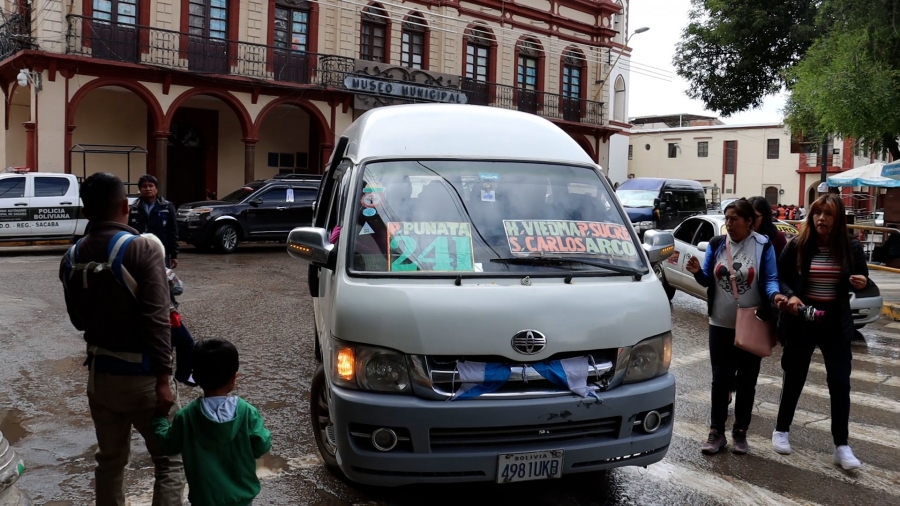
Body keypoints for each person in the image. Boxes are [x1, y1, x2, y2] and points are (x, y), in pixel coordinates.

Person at [59, 172, 184, 505]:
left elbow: (76, 320)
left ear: (86, 212)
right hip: (144, 379)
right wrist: (163, 379)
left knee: (110, 463)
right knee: (169, 462)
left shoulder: (70, 258)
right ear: (124, 207)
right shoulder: (142, 249)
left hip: (100, 379)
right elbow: (158, 321)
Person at [772, 194, 869, 470]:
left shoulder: (851, 247)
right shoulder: (798, 244)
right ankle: (781, 430)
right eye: (817, 213)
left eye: (828, 214)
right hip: (803, 319)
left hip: (835, 323)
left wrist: (861, 282)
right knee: (794, 376)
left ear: (837, 219)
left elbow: (861, 279)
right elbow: (780, 277)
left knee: (840, 384)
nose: (821, 219)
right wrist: (790, 296)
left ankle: (842, 446)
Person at [686, 198, 786, 455]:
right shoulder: (718, 244)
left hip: (752, 323)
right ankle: (716, 432)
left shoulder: (762, 246)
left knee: (747, 380)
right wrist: (698, 271)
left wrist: (775, 296)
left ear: (749, 222)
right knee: (720, 379)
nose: (728, 224)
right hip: (720, 323)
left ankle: (740, 431)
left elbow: (771, 279)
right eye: (727, 219)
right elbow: (707, 277)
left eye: (734, 220)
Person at [153, 338, 272, 506]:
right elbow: (261, 445)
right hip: (241, 501)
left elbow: (167, 445)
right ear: (234, 377)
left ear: (195, 377)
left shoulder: (186, 417)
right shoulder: (247, 412)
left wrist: (159, 419)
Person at [130, 174, 179, 268]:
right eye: (144, 186)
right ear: (140, 190)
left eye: (151, 186)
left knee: (161, 277)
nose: (148, 189)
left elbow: (173, 231)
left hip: (161, 250)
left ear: (156, 189)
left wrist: (174, 255)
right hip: (140, 250)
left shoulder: (167, 206)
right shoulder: (133, 207)